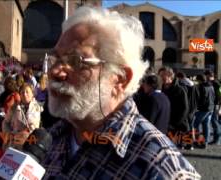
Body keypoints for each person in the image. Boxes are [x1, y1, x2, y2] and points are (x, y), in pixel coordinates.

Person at [42, 6, 200, 179]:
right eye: (56, 58)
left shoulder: (163, 170)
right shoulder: (50, 138)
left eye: (75, 61)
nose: (55, 71)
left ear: (120, 79)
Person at [158, 67, 189, 148]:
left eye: (163, 76)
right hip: (165, 124)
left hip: (176, 126)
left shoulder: (180, 90)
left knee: (174, 148)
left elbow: (185, 109)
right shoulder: (162, 88)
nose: (161, 78)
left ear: (170, 76)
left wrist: (175, 124)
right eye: (160, 76)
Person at [205, 70, 221, 145]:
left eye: (206, 76)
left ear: (209, 75)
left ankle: (217, 139)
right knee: (213, 121)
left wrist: (219, 107)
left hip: (216, 105)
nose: (206, 77)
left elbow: (219, 96)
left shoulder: (216, 83)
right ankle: (216, 139)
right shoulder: (214, 83)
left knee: (215, 121)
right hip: (214, 105)